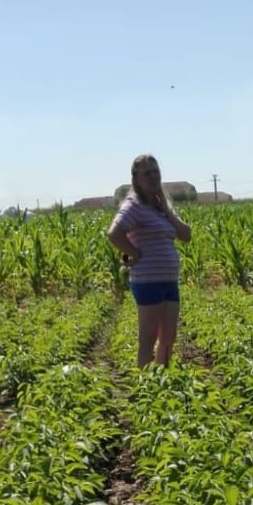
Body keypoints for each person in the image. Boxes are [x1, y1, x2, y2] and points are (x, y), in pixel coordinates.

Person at [107, 155, 191, 367]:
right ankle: (145, 389)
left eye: (156, 172)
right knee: (148, 339)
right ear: (136, 178)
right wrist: (134, 253)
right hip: (147, 280)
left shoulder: (161, 205)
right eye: (147, 173)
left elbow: (186, 235)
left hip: (169, 280)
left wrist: (166, 210)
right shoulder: (133, 205)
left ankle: (162, 383)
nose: (153, 177)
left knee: (168, 337)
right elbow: (114, 234)